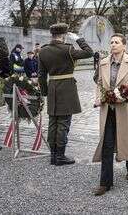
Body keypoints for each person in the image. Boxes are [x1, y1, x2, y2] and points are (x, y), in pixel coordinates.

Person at [91, 34, 128, 196]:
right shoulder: (104, 62)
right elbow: (100, 82)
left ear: (124, 46)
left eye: (116, 42)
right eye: (111, 42)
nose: (113, 44)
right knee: (107, 143)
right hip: (108, 109)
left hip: (125, 108)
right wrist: (100, 98)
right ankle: (105, 183)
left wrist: (123, 96)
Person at [38, 23, 93, 166]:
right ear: (64, 35)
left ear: (52, 35)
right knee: (63, 123)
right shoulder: (68, 49)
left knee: (53, 122)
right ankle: (60, 156)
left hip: (52, 88)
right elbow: (89, 52)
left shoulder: (43, 51)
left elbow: (41, 75)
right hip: (66, 88)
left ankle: (53, 155)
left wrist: (44, 92)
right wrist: (79, 39)